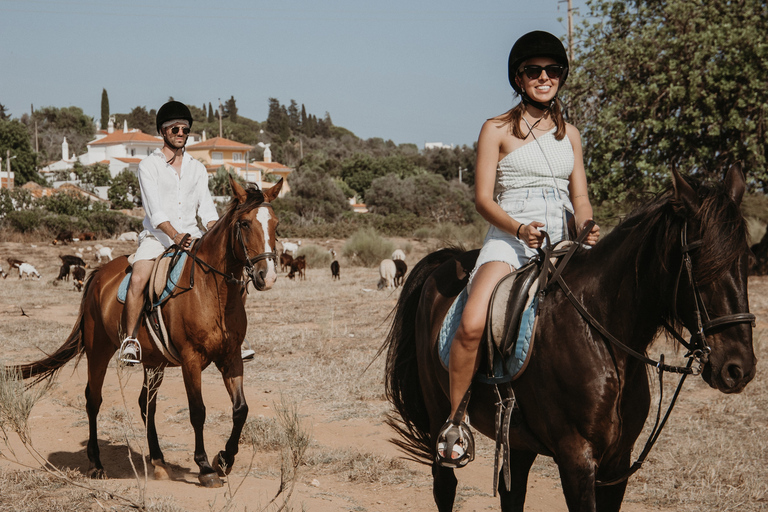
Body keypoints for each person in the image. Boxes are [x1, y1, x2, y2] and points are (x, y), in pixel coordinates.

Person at [436, 31, 601, 468]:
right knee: (472, 322)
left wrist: (587, 225)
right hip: (510, 239)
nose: (544, 77)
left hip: (564, 240)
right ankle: (456, 421)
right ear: (518, 76)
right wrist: (518, 228)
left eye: (552, 70)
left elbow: (580, 196)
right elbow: (483, 200)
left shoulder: (573, 136)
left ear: (562, 77)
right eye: (534, 71)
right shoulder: (496, 129)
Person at [119, 101, 219, 365]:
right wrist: (176, 237)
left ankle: (230, 336)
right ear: (163, 132)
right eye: (175, 128)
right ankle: (129, 340)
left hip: (193, 238)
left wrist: (215, 231)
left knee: (226, 273)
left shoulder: (197, 169)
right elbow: (155, 212)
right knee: (139, 279)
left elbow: (207, 210)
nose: (180, 133)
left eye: (185, 130)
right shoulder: (148, 166)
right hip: (157, 239)